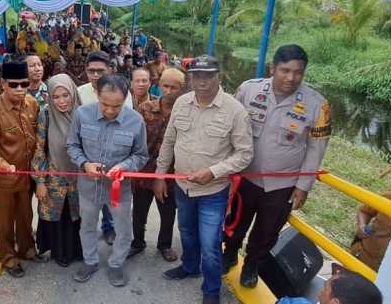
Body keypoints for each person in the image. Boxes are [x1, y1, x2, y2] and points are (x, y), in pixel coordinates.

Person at [223, 44, 332, 289]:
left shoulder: (317, 105)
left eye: (298, 72)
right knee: (234, 221)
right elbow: (229, 129)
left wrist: (304, 186)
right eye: (285, 70)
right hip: (244, 176)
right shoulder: (249, 90)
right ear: (273, 68)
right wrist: (226, 170)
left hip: (282, 184)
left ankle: (251, 265)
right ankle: (229, 255)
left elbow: (316, 148)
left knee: (267, 231)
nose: (291, 77)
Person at [154, 56, 253, 304]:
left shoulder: (235, 111)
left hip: (213, 190)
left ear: (219, 76)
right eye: (197, 76)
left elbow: (245, 154)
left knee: (210, 244)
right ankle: (189, 267)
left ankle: (211, 291)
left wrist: (214, 171)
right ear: (190, 78)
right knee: (186, 231)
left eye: (208, 75)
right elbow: (169, 141)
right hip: (182, 186)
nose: (202, 81)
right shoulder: (181, 104)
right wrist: (159, 176)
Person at [67, 75, 148, 287]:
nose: (110, 111)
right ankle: (90, 261)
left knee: (122, 229)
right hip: (88, 187)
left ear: (125, 99)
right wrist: (85, 164)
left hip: (119, 189)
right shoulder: (82, 114)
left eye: (117, 106)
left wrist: (124, 166)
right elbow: (72, 146)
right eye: (105, 104)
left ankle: (116, 264)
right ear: (96, 94)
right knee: (87, 226)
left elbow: (141, 155)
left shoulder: (135, 121)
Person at [0, 62, 42, 278]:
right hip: (3, 181)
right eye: (14, 84)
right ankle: (9, 258)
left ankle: (27, 249)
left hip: (25, 178)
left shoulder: (32, 104)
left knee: (26, 215)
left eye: (24, 84)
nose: (19, 89)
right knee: (5, 222)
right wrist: (3, 165)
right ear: (3, 84)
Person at [129, 68, 185, 262]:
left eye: (174, 87)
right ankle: (137, 241)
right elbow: (133, 138)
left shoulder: (185, 112)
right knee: (139, 211)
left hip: (169, 174)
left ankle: (165, 245)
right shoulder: (145, 108)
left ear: (182, 89)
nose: (169, 91)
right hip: (143, 171)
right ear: (159, 85)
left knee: (168, 213)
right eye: (165, 86)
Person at [77, 51, 133, 244]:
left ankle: (109, 229)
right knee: (89, 205)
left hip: (114, 157)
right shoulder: (80, 93)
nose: (95, 75)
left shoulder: (123, 92)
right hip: (88, 157)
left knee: (112, 198)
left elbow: (127, 123)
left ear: (110, 70)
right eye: (91, 71)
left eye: (100, 71)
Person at [31, 74, 84, 267]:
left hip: (80, 177)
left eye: (65, 95)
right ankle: (60, 253)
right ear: (50, 98)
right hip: (54, 178)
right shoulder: (46, 114)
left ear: (73, 93)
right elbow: (39, 149)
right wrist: (40, 182)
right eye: (56, 97)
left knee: (78, 215)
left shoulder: (84, 113)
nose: (62, 101)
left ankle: (78, 251)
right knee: (59, 216)